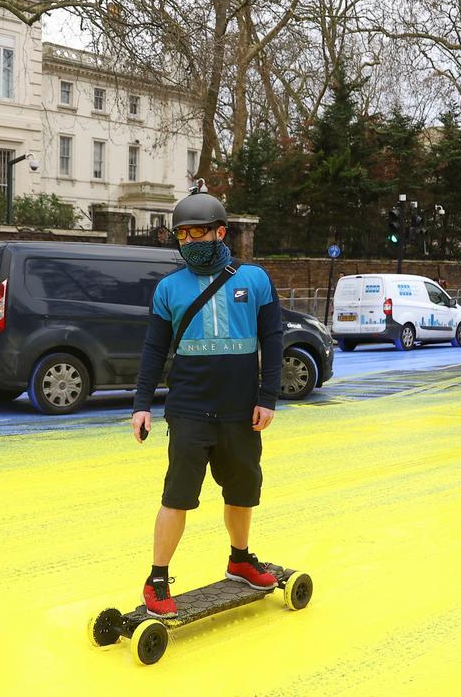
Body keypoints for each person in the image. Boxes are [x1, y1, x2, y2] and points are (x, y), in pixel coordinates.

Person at [130, 189, 284, 618]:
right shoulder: (168, 288)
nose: (190, 242)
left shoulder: (255, 280)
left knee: (242, 491)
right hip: (189, 407)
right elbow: (153, 349)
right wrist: (141, 404)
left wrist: (267, 397)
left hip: (241, 409)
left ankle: (240, 558)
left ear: (220, 232)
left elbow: (273, 340)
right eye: (182, 235)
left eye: (198, 232)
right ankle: (157, 578)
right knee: (177, 496)